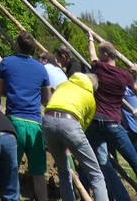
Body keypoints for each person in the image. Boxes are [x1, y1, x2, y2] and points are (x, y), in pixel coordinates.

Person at [86, 35, 137, 201]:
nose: (98, 55)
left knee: (102, 163)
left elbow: (91, 55)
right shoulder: (123, 75)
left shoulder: (98, 68)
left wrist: (91, 38)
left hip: (95, 124)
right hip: (113, 125)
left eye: (100, 53)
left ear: (105, 55)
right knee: (136, 164)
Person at [0, 29, 51, 201]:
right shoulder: (41, 69)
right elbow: (46, 98)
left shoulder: (6, 63)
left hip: (13, 122)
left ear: (17, 46)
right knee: (39, 173)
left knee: (11, 170)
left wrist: (14, 93)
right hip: (35, 124)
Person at [42, 70, 108, 201]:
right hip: (70, 124)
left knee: (63, 172)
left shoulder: (63, 85)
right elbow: (84, 125)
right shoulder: (90, 98)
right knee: (96, 175)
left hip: (48, 122)